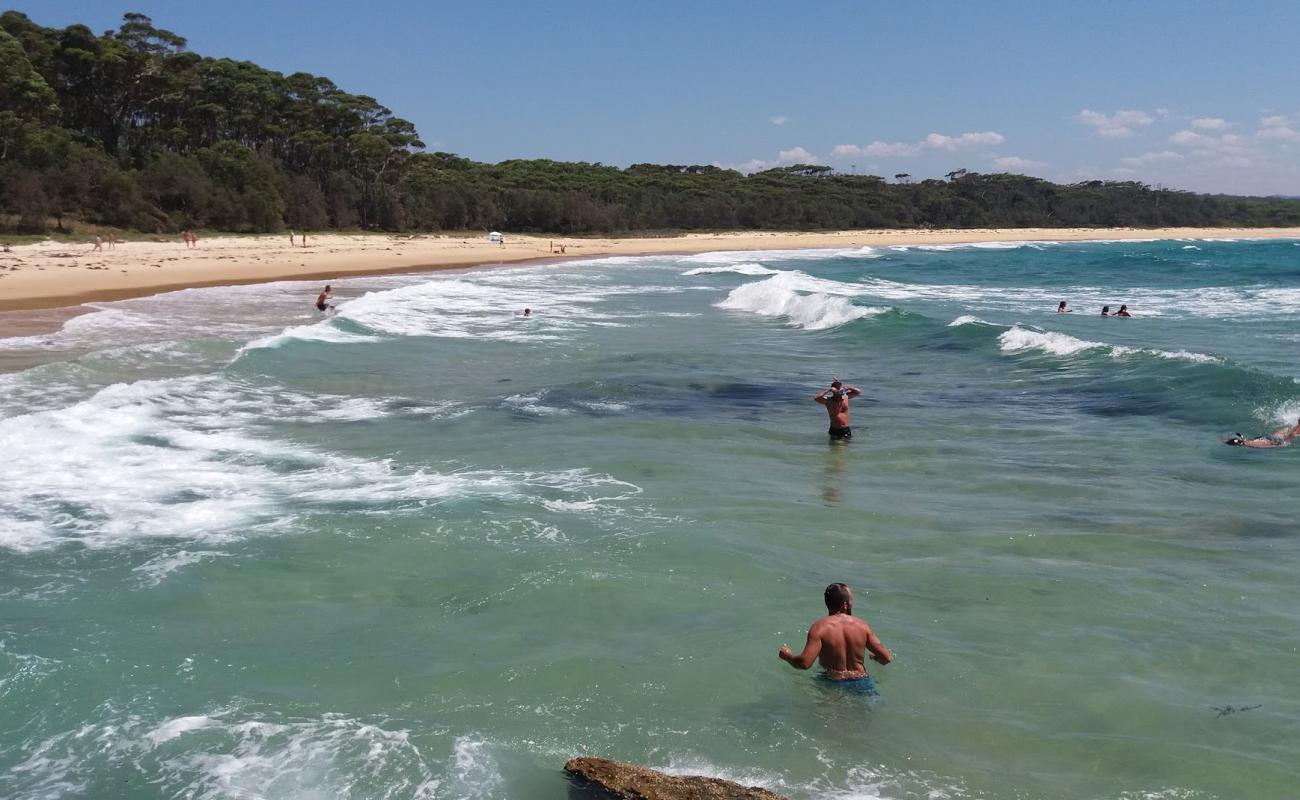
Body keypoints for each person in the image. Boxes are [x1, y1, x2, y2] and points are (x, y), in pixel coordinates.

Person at [779, 583, 892, 690]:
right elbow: (886, 658)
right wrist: (875, 657)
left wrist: (788, 656)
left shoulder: (819, 628)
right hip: (861, 681)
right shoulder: (862, 626)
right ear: (845, 605)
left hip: (831, 683)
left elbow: (804, 663)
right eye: (851, 600)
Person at [1225, 418, 1300, 448]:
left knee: (1288, 436)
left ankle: (1298, 424)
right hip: (1271, 439)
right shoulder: (1247, 442)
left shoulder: (1249, 444)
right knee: (1248, 443)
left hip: (1272, 439)